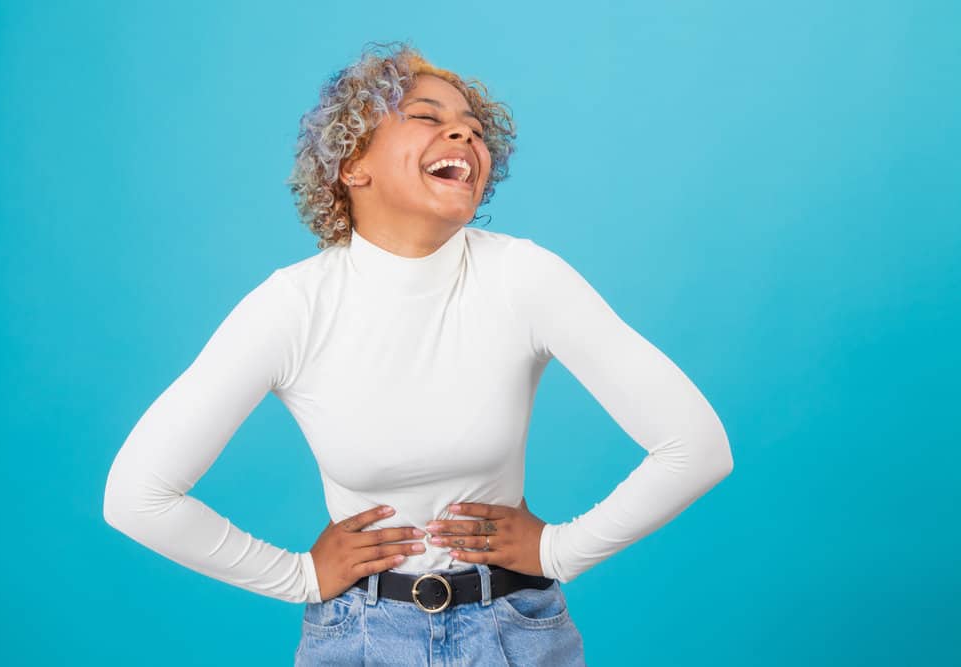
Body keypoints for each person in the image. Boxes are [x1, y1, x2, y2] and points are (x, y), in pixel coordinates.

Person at [102, 40, 734, 666]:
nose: (463, 137)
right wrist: (297, 576)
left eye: (474, 129)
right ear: (352, 165)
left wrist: (559, 551)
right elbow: (138, 495)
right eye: (429, 118)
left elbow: (696, 446)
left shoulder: (525, 277)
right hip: (357, 640)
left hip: (515, 635)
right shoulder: (292, 306)